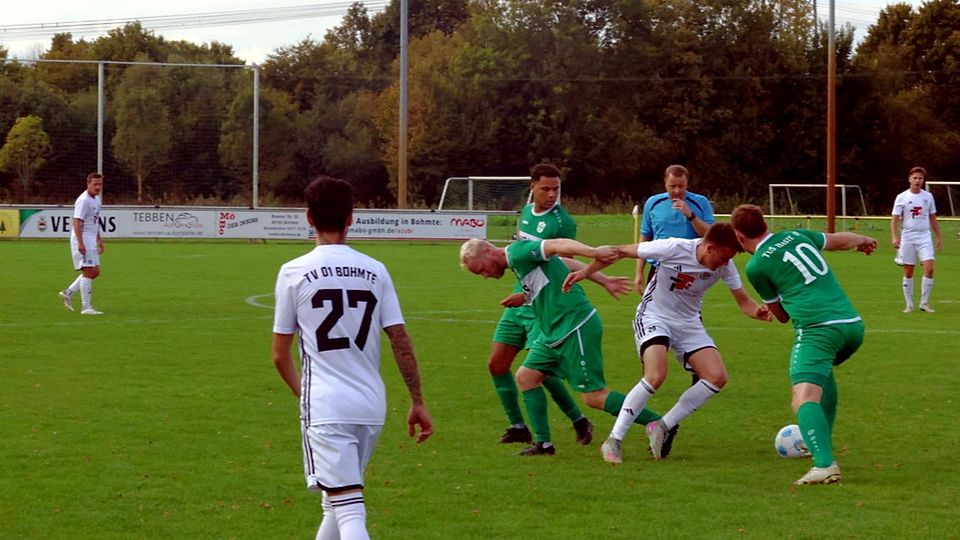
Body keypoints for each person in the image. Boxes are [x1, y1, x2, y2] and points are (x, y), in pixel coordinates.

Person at [272, 176, 433, 539]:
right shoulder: (375, 270)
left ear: (308, 218)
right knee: (337, 501)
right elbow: (400, 341)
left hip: (327, 407)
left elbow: (280, 356)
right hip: (370, 406)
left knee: (350, 511)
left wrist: (306, 398)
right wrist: (418, 401)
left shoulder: (293, 272)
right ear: (351, 217)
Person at [564, 223, 772, 464]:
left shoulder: (725, 264)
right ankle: (614, 440)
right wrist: (584, 273)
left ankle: (662, 426)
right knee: (656, 375)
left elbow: (743, 301)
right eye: (724, 257)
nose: (726, 264)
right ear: (710, 247)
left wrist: (757, 311)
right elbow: (618, 251)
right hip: (654, 316)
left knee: (716, 377)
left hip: (689, 324)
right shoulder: (673, 248)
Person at [460, 237, 670, 457]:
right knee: (526, 377)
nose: (485, 275)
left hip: (574, 325)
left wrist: (593, 251)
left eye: (481, 269)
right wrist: (524, 296)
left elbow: (557, 245)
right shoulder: (517, 263)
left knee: (594, 396)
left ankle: (659, 423)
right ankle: (544, 445)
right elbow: (562, 264)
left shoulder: (516, 252)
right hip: (553, 332)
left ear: (487, 251)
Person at [730, 204, 877, 485]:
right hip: (853, 326)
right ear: (764, 223)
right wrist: (862, 240)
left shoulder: (757, 266)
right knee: (822, 376)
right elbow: (838, 239)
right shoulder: (797, 235)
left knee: (802, 398)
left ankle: (824, 464)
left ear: (739, 235)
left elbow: (782, 317)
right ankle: (819, 443)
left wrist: (770, 308)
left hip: (818, 329)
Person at [488, 163, 592, 446]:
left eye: (556, 189)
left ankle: (579, 420)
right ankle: (517, 426)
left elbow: (563, 265)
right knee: (497, 364)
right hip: (518, 299)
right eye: (545, 188)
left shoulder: (562, 223)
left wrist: (600, 276)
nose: (551, 195)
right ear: (532, 186)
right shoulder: (524, 213)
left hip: (541, 304)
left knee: (538, 370)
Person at [635, 165, 715, 293]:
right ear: (665, 183)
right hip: (659, 267)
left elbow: (710, 235)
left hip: (689, 268)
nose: (677, 191)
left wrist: (690, 215)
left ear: (687, 184)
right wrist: (639, 272)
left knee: (687, 311)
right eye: (672, 186)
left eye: (681, 186)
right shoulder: (653, 203)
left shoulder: (700, 202)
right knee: (654, 310)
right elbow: (645, 237)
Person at [891, 166, 942, 313]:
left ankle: (924, 303)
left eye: (920, 178)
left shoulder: (928, 197)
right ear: (909, 179)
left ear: (923, 180)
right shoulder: (902, 197)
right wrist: (895, 237)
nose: (917, 180)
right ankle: (909, 304)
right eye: (915, 178)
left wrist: (938, 237)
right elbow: (894, 219)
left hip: (924, 236)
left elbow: (933, 218)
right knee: (908, 271)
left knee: (929, 267)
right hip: (908, 236)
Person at [59, 172, 105, 315]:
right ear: (88, 184)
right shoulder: (83, 200)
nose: (98, 187)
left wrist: (99, 240)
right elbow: (77, 222)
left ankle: (68, 292)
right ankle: (86, 307)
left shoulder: (96, 200)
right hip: (83, 238)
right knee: (88, 271)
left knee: (95, 271)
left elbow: (95, 222)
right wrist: (80, 243)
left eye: (100, 184)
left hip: (91, 239)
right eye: (95, 184)